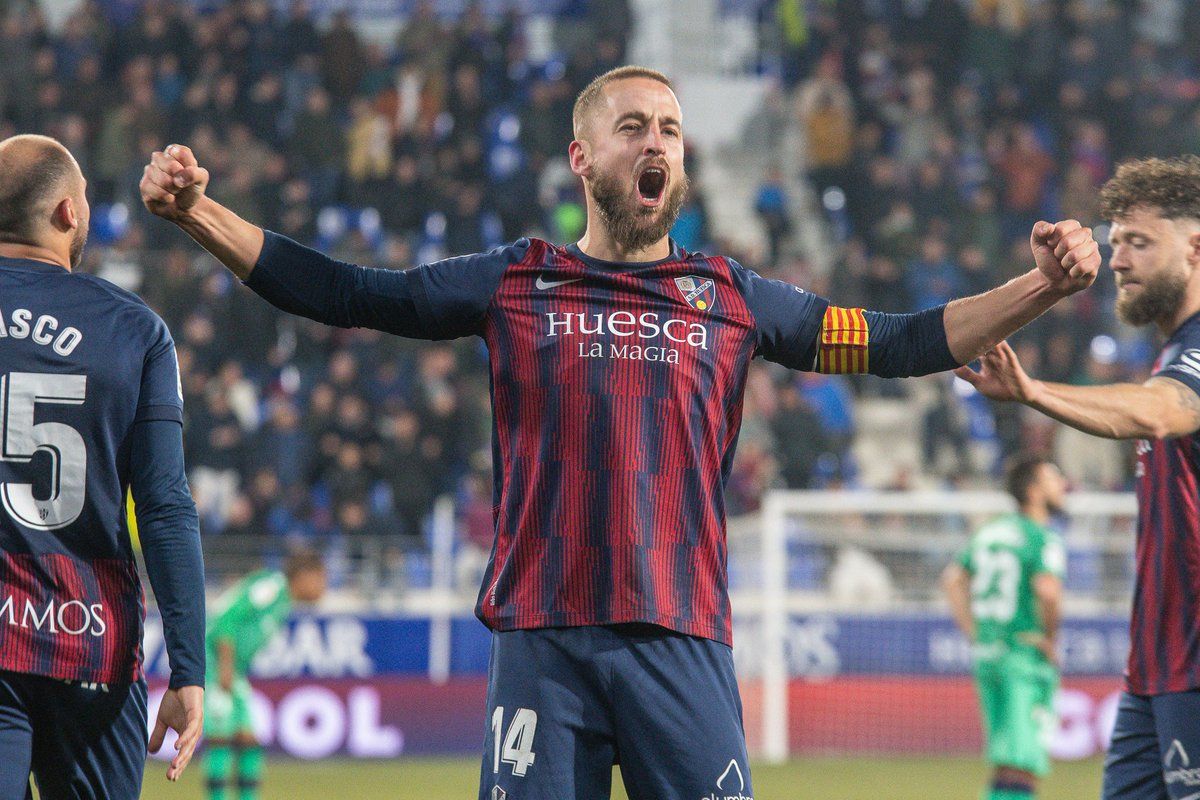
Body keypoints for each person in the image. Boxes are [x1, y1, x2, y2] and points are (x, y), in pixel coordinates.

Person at [139, 66, 1099, 800]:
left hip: (679, 632)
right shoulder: (517, 279)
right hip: (543, 637)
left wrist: (1041, 289)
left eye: (671, 130)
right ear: (582, 158)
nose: (658, 141)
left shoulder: (731, 296)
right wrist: (199, 217)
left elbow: (897, 343)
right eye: (633, 126)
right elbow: (348, 292)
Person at [955, 155, 1200, 800]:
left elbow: (1161, 411)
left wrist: (1034, 391)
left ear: (1196, 247)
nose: (1117, 260)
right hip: (1155, 669)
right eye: (1115, 241)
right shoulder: (1169, 352)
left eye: (1140, 243)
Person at [0, 134, 205, 797]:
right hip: (87, 639)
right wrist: (189, 669)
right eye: (85, 195)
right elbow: (165, 505)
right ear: (66, 212)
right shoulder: (135, 330)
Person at [942, 454, 1067, 800]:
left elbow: (952, 579)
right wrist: (1050, 639)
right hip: (1023, 654)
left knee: (1005, 758)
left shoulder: (991, 530)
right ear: (1033, 491)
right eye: (1053, 479)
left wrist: (974, 631)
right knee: (1024, 759)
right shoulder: (1043, 538)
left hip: (988, 653)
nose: (1062, 486)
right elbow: (1048, 591)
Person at [204, 549, 326, 800]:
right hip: (213, 663)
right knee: (220, 737)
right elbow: (226, 619)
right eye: (320, 579)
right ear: (303, 576)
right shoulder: (272, 586)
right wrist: (225, 669)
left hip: (233, 670)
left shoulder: (284, 602)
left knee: (249, 740)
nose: (323, 587)